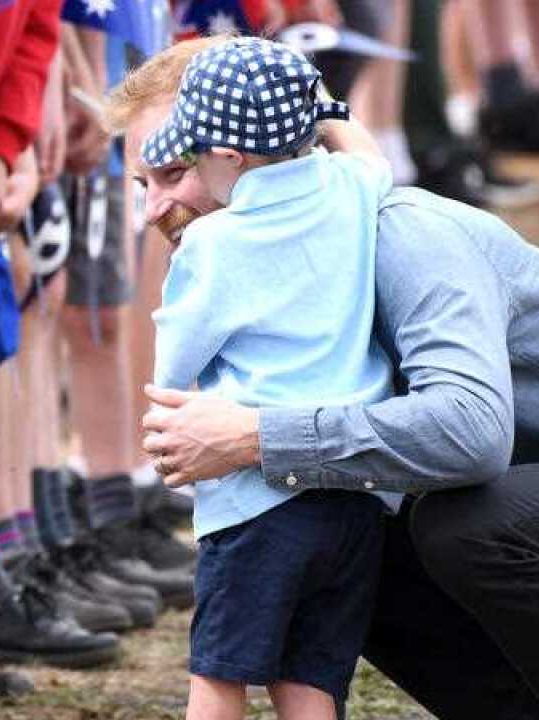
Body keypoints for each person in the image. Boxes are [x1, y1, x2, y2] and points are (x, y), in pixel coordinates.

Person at [110, 36, 539, 720]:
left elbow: (472, 435)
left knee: (467, 526)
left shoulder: (401, 231)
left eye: (173, 172)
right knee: (340, 536)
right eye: (143, 184)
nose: (152, 210)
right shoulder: (296, 261)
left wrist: (256, 436)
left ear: (245, 150)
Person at [142, 37, 396, 720]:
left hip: (256, 501)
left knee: (220, 676)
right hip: (354, 492)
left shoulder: (214, 245)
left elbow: (174, 366)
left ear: (229, 158)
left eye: (193, 154)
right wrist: (326, 107)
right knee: (311, 679)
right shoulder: (352, 189)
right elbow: (370, 155)